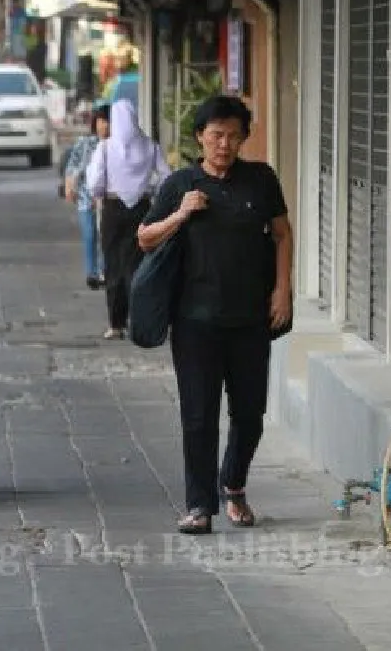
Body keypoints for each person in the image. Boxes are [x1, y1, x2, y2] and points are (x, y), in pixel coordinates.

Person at [136, 95, 293, 534]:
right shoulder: (180, 184)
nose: (224, 143)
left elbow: (282, 234)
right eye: (216, 134)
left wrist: (283, 289)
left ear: (244, 138)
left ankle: (234, 484)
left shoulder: (260, 180)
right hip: (195, 321)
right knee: (199, 415)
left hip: (249, 319)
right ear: (199, 137)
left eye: (233, 135)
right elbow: (144, 238)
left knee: (249, 414)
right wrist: (181, 214)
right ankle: (199, 505)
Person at [85, 100, 170, 339]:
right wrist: (150, 190)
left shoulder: (105, 148)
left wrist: (99, 195)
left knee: (113, 265)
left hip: (112, 208)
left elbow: (94, 182)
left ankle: (116, 323)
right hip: (142, 208)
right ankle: (139, 320)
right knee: (138, 264)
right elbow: (166, 176)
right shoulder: (149, 146)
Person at [63, 101, 111, 290]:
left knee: (105, 235)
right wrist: (69, 186)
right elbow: (73, 166)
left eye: (108, 121)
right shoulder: (85, 143)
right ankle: (92, 273)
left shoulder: (117, 146)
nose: (104, 125)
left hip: (109, 200)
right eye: (101, 121)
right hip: (86, 198)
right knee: (90, 234)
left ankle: (104, 271)